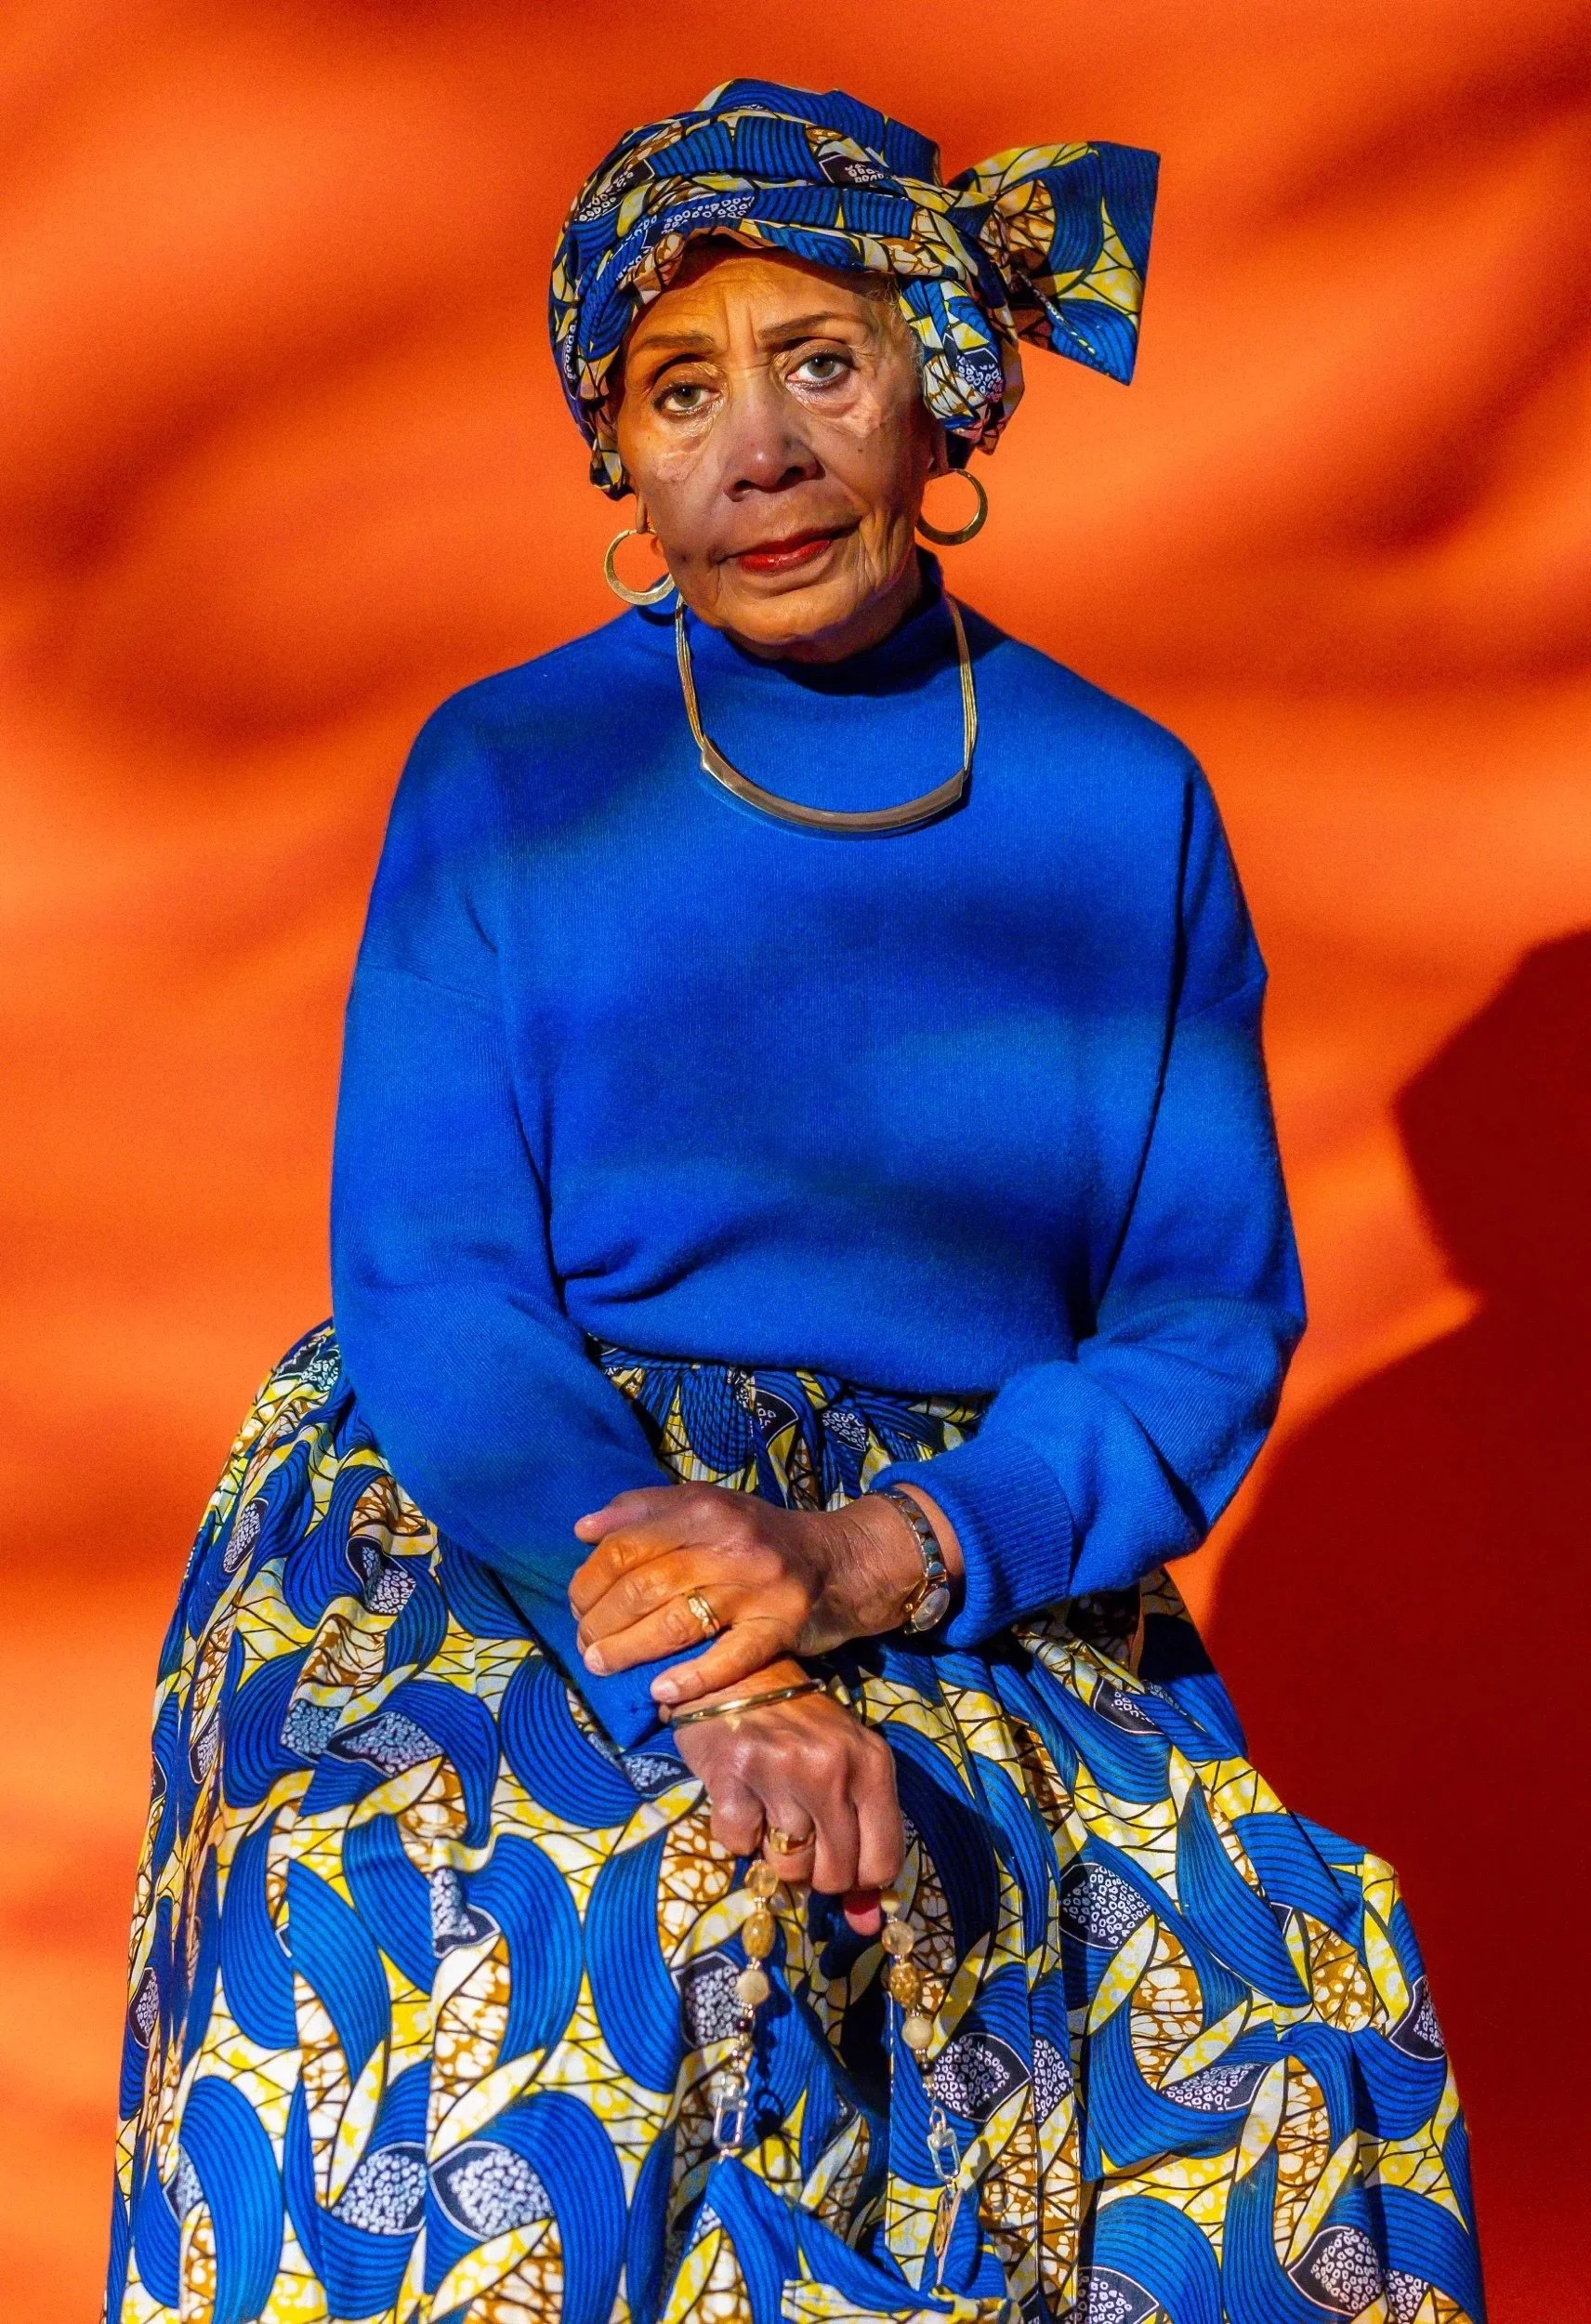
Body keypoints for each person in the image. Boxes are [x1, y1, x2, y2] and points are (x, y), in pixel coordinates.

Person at [105, 80, 1485, 2324]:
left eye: (819, 364)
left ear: (939, 390)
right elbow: (439, 1282)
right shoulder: (506, 770)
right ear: (617, 461)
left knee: (1268, 2030)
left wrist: (863, 1562)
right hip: (518, 1517)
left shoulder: (1125, 802)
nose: (756, 452)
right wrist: (705, 1670)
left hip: (965, 1555)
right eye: (682, 392)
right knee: (544, 1939)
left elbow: (1193, 1325)